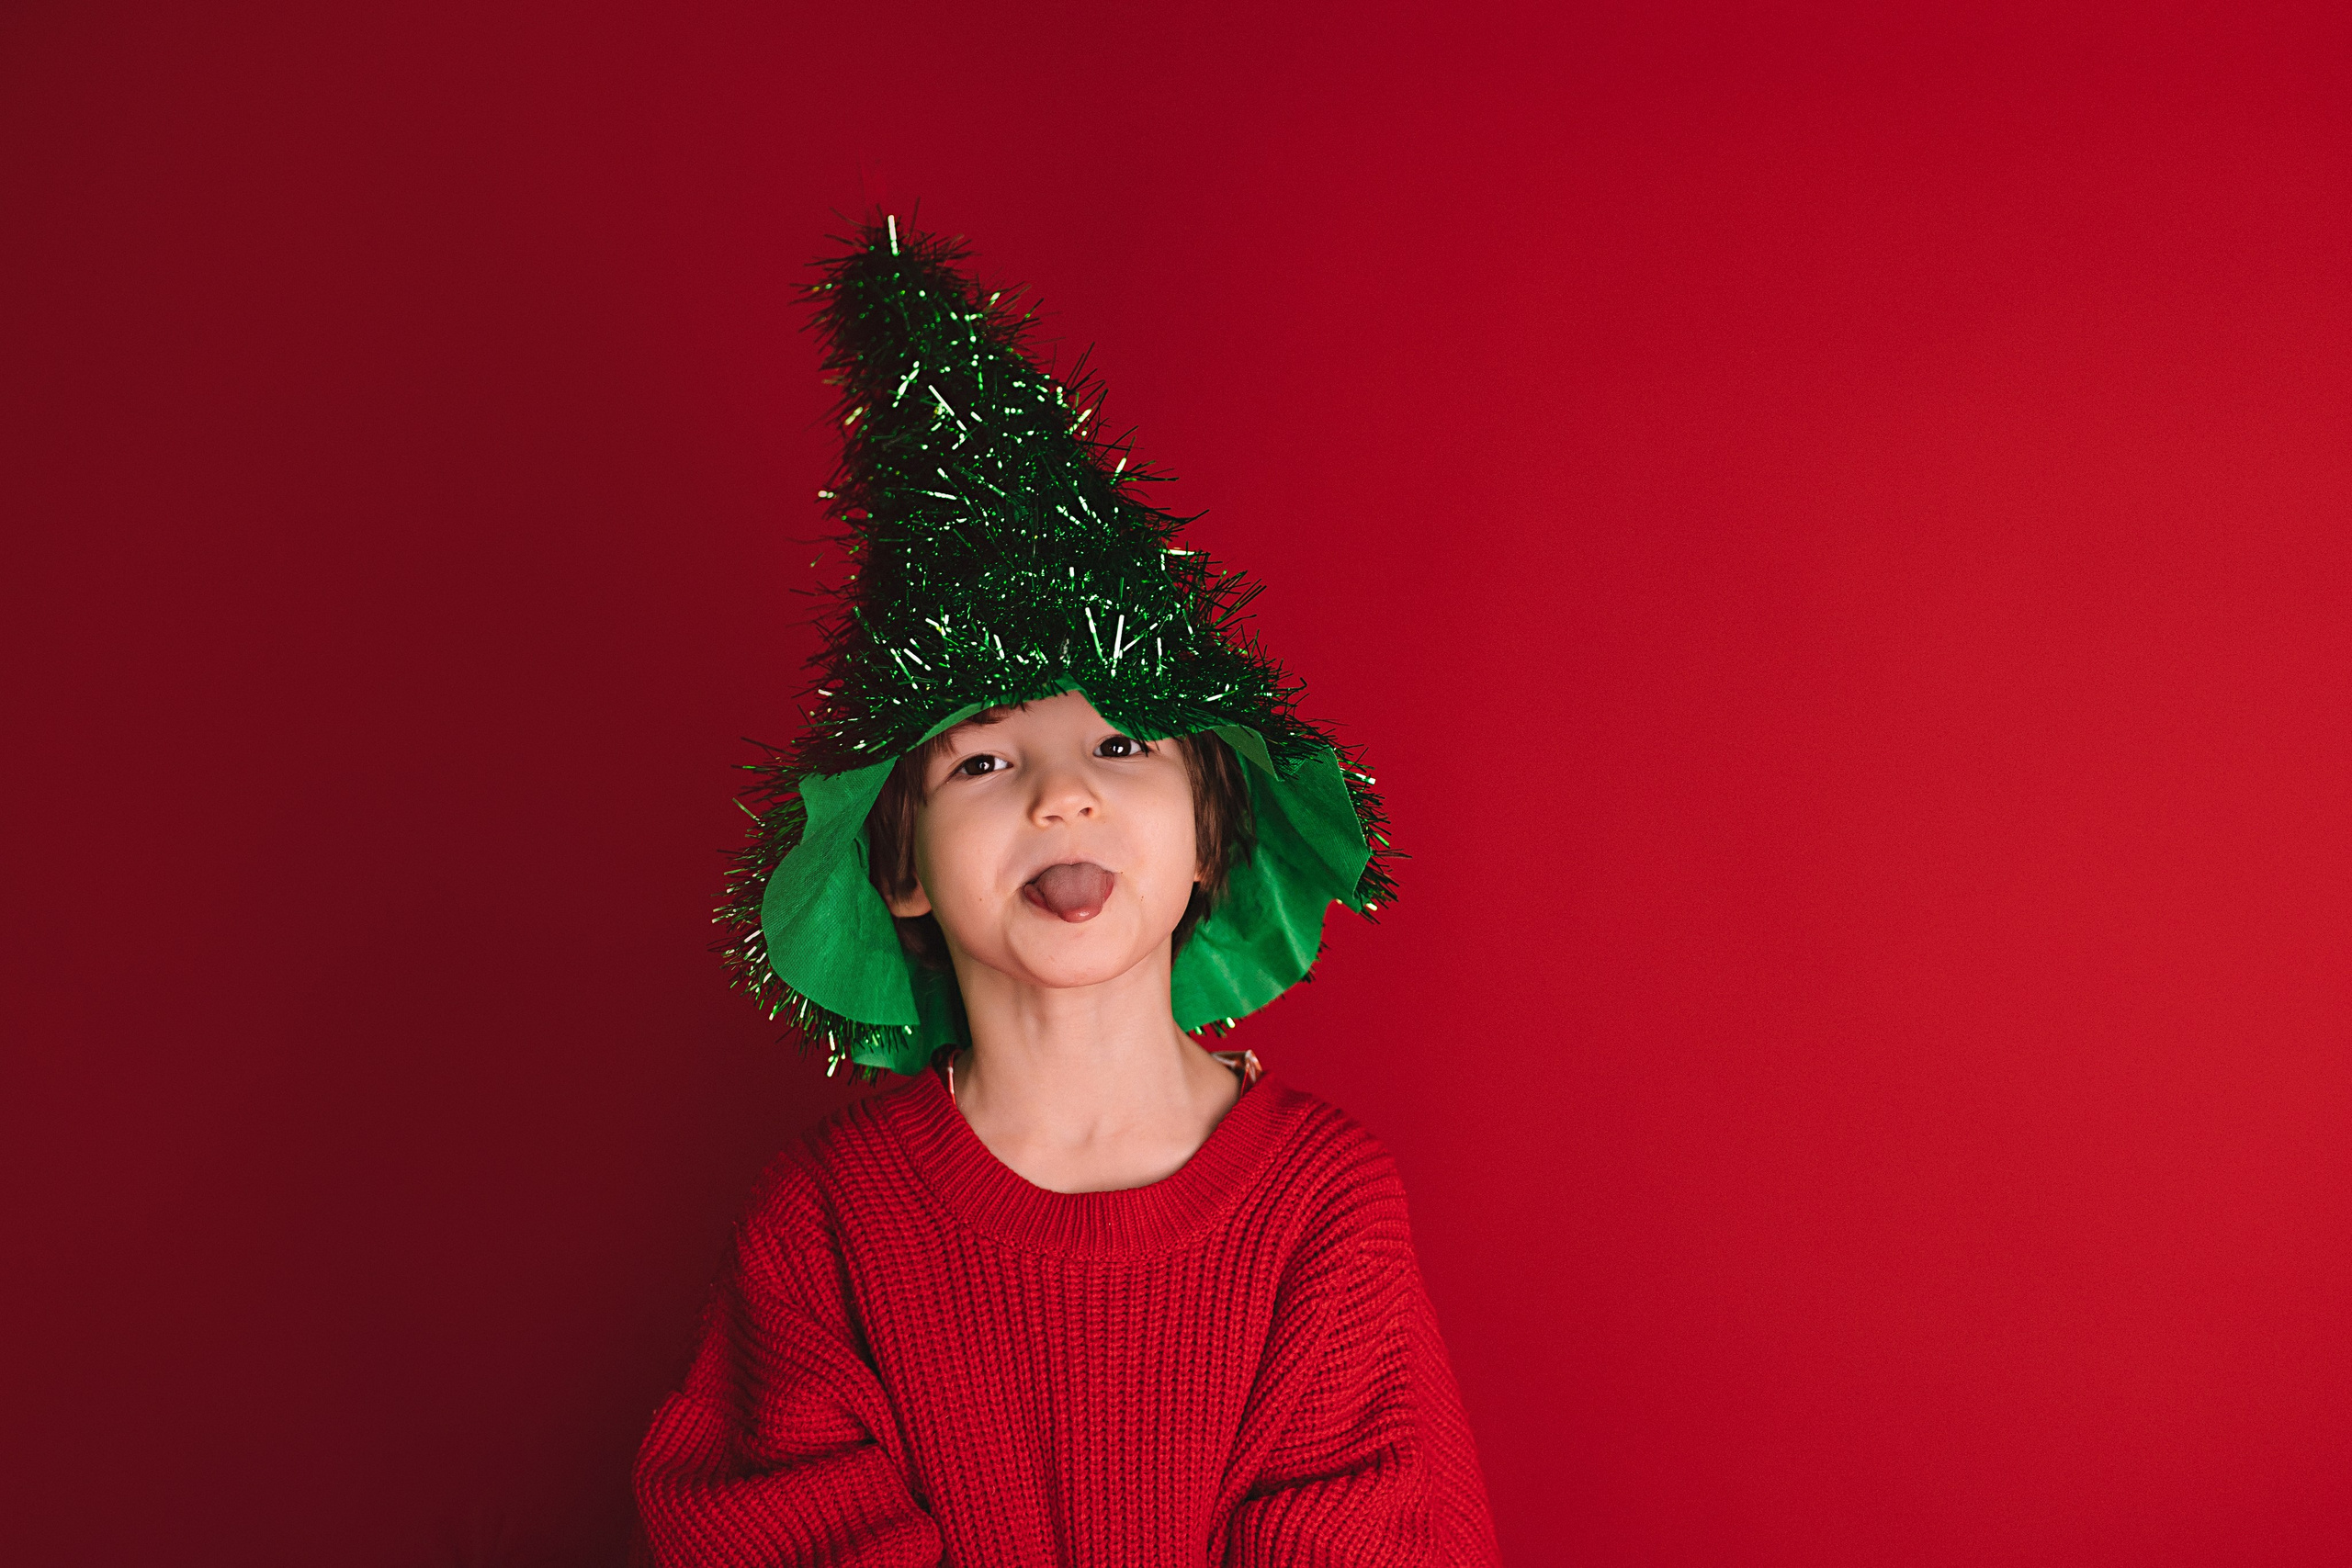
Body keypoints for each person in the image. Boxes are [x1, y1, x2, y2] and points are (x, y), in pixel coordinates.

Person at [631, 217, 1497, 1565]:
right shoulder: (822, 1226)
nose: (1059, 795)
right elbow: (768, 1530)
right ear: (901, 865)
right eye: (983, 756)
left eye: (1119, 741)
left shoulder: (1324, 1208)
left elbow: (1374, 1534)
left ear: (1211, 835)